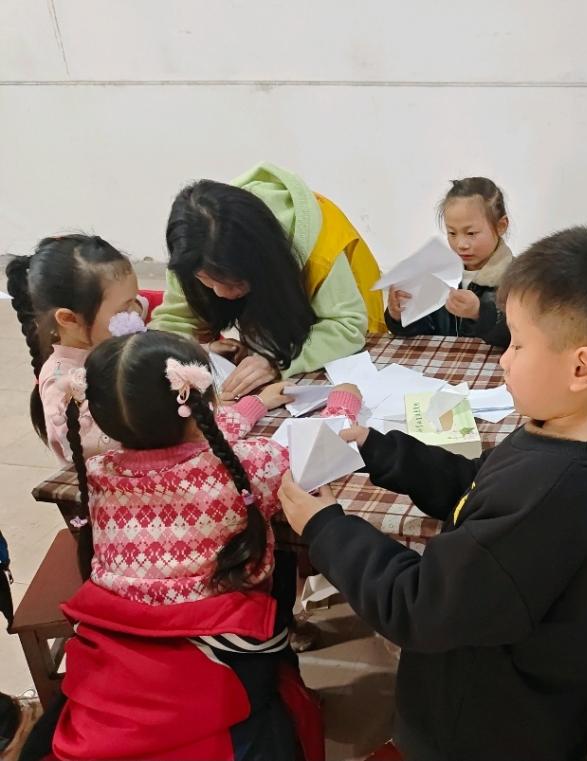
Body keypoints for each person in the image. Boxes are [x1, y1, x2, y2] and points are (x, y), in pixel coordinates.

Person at [278, 227, 587, 761]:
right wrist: (383, 452)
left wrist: (326, 529)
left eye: (517, 344)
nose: (504, 359)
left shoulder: (546, 495)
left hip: (489, 729)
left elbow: (418, 604)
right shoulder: (569, 435)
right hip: (529, 691)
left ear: (581, 369)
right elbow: (478, 485)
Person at [24, 330, 332, 761]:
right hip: (220, 645)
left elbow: (194, 436)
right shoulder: (252, 463)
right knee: (280, 565)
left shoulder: (98, 472)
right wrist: (344, 403)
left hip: (123, 642)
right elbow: (319, 452)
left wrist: (255, 405)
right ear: (200, 405)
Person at [150, 162, 375, 399]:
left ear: (265, 260)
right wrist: (200, 350)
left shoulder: (317, 244)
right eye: (206, 279)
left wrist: (277, 358)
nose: (220, 293)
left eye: (235, 282)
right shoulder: (192, 252)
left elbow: (347, 326)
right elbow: (173, 323)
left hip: (342, 353)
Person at [5, 235, 143, 464]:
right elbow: (86, 445)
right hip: (108, 480)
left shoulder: (107, 336)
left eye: (135, 301)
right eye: (124, 309)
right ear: (69, 319)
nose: (136, 314)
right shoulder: (62, 379)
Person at [386, 177, 513, 347]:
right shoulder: (439, 274)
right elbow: (423, 332)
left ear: (501, 226)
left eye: (471, 233)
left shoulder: (517, 278)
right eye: (452, 233)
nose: (461, 244)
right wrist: (399, 315)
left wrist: (481, 313)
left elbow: (520, 337)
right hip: (443, 362)